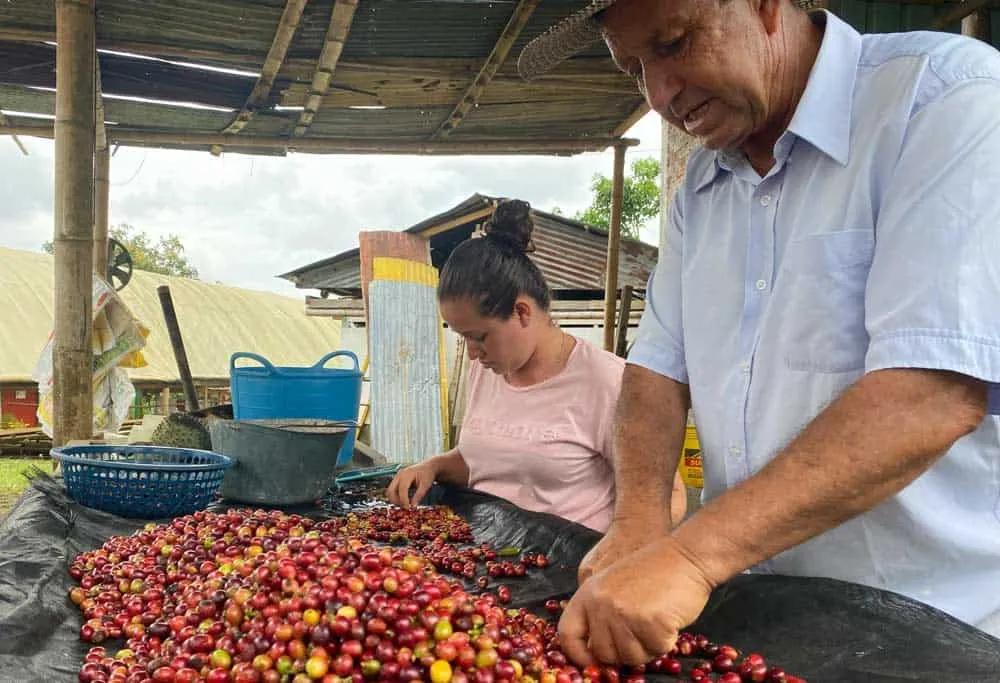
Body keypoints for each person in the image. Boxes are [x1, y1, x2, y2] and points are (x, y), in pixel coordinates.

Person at [516, 0, 1000, 666]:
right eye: (635, 69)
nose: (660, 94)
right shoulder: (699, 192)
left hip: (933, 636)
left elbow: (931, 392)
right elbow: (657, 370)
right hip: (754, 620)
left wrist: (688, 554)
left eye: (673, 43)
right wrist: (639, 519)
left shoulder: (945, 100)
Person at [385, 199, 687, 532]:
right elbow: (493, 461)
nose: (472, 353)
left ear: (522, 312)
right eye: (463, 338)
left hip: (572, 569)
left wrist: (622, 555)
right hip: (491, 560)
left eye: (480, 337)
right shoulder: (487, 369)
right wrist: (435, 465)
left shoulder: (608, 382)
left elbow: (668, 497)